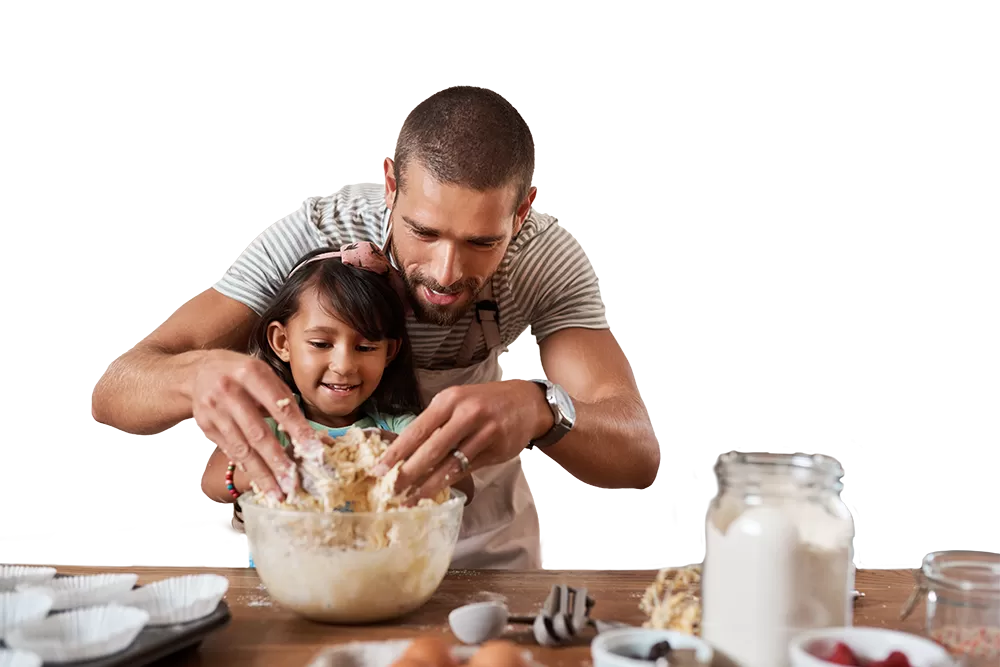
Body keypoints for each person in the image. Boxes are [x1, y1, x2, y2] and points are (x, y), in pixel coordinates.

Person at [92, 85, 659, 569]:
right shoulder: (313, 235)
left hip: (485, 552)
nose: (446, 273)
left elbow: (637, 456)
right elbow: (113, 392)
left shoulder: (545, 261)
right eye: (424, 232)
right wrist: (192, 377)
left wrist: (542, 406)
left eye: (482, 242)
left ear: (524, 210)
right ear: (390, 184)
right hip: (324, 559)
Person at [200, 243, 475, 506]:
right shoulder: (273, 425)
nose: (344, 366)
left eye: (365, 347)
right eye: (321, 344)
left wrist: (393, 450)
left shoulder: (397, 428)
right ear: (282, 342)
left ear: (389, 352)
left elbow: (465, 487)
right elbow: (212, 482)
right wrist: (284, 467)